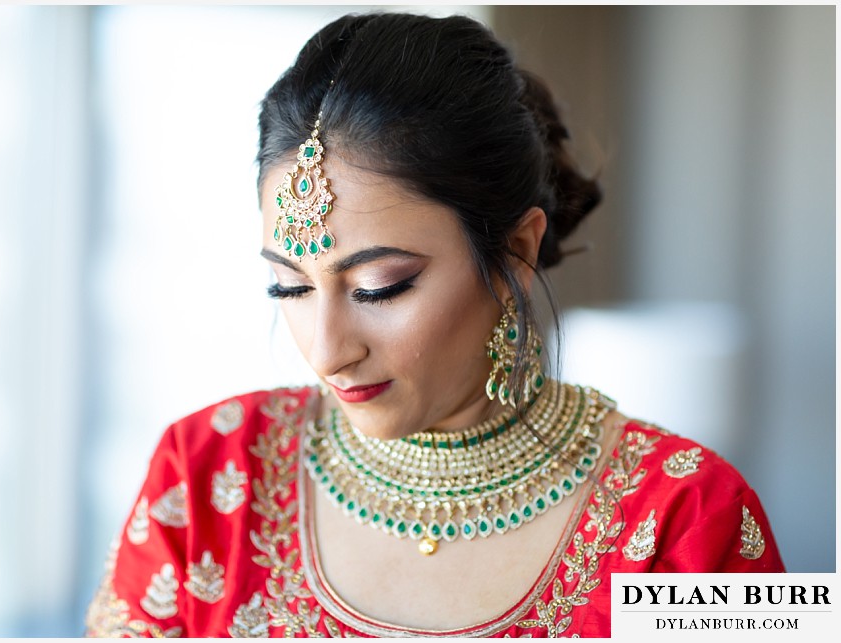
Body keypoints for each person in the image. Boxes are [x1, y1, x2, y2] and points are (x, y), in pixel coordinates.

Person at [85, 12, 784, 638]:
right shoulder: (207, 473)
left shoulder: (683, 516)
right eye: (289, 286)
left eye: (380, 287)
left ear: (515, 251)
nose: (326, 350)